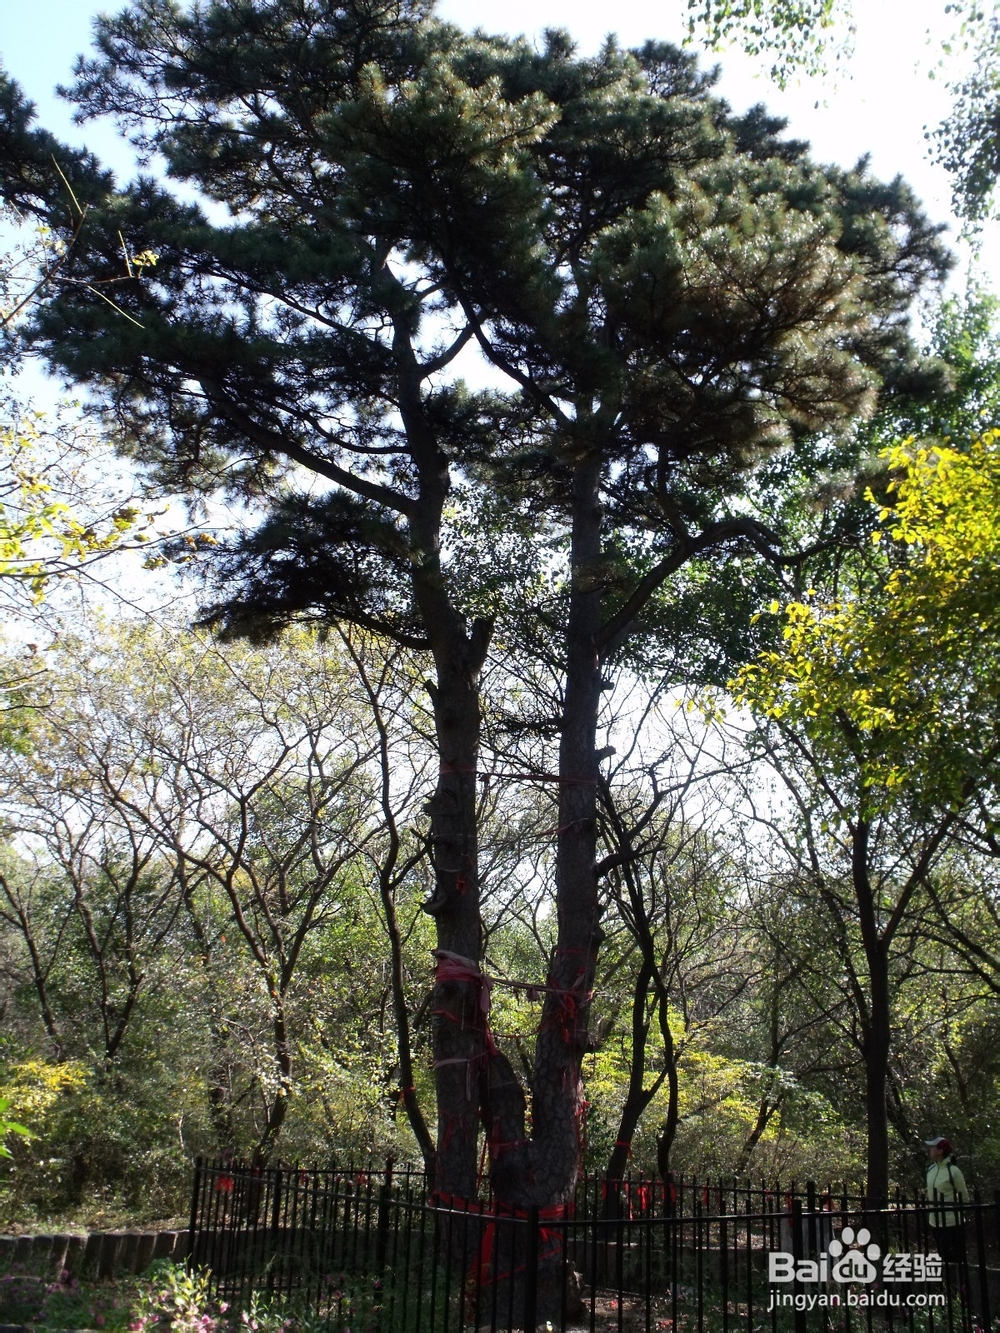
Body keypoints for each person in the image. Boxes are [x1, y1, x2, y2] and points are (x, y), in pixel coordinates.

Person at [925, 1136, 968, 1268]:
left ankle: (960, 1281)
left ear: (940, 1151)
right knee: (943, 1259)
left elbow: (963, 1197)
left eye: (932, 1147)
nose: (929, 1149)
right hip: (935, 1223)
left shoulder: (953, 1171)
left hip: (952, 1223)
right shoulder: (931, 1170)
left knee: (957, 1261)